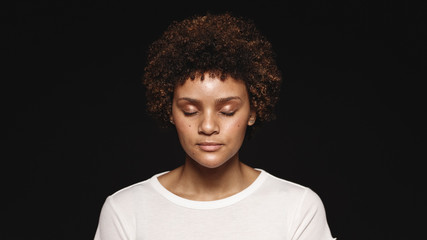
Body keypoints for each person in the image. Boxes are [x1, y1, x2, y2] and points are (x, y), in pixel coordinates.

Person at [94, 12, 336, 240]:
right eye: (190, 111)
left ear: (252, 112)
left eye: (227, 111)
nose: (208, 126)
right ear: (170, 111)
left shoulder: (298, 208)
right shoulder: (125, 210)